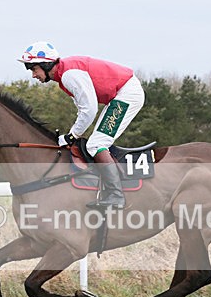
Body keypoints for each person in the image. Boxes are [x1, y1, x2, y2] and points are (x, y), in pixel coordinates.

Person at [17, 41, 145, 209]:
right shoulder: (64, 75)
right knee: (95, 142)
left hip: (127, 93)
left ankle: (116, 195)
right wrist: (72, 134)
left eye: (34, 69)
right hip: (120, 93)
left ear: (46, 64)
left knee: (96, 144)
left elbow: (89, 110)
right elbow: (83, 110)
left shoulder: (69, 75)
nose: (33, 75)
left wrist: (71, 136)